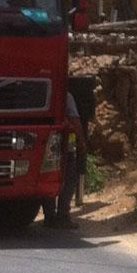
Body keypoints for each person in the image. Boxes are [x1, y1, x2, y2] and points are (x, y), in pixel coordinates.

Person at [43, 89, 87, 228]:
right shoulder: (66, 96)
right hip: (66, 146)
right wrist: (82, 142)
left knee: (48, 177)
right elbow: (75, 121)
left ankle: (49, 216)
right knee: (69, 179)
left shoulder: (45, 94)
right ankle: (63, 215)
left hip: (48, 144)